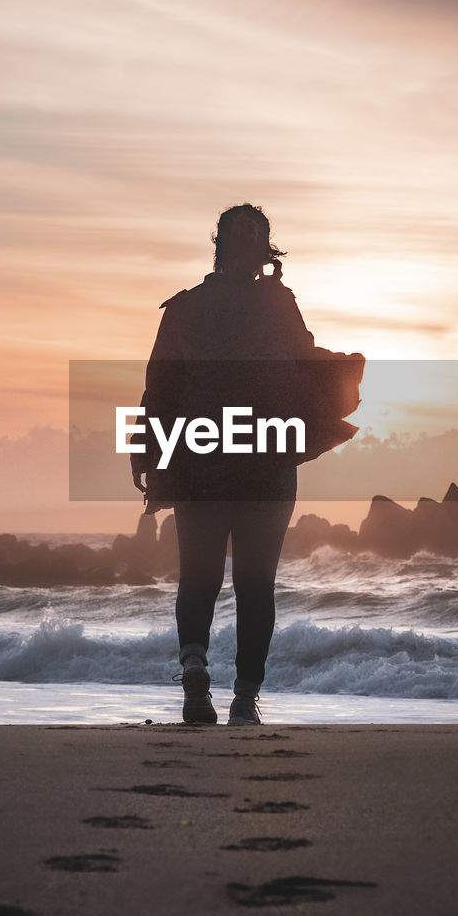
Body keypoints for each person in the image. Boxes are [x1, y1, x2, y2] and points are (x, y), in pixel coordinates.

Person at [133, 204, 361, 726]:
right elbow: (305, 365)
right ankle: (243, 699)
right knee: (256, 581)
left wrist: (147, 456)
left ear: (218, 246)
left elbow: (158, 388)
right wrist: (345, 370)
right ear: (264, 251)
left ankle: (194, 672)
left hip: (199, 459)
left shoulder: (185, 308)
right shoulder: (279, 304)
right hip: (267, 458)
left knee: (198, 577)